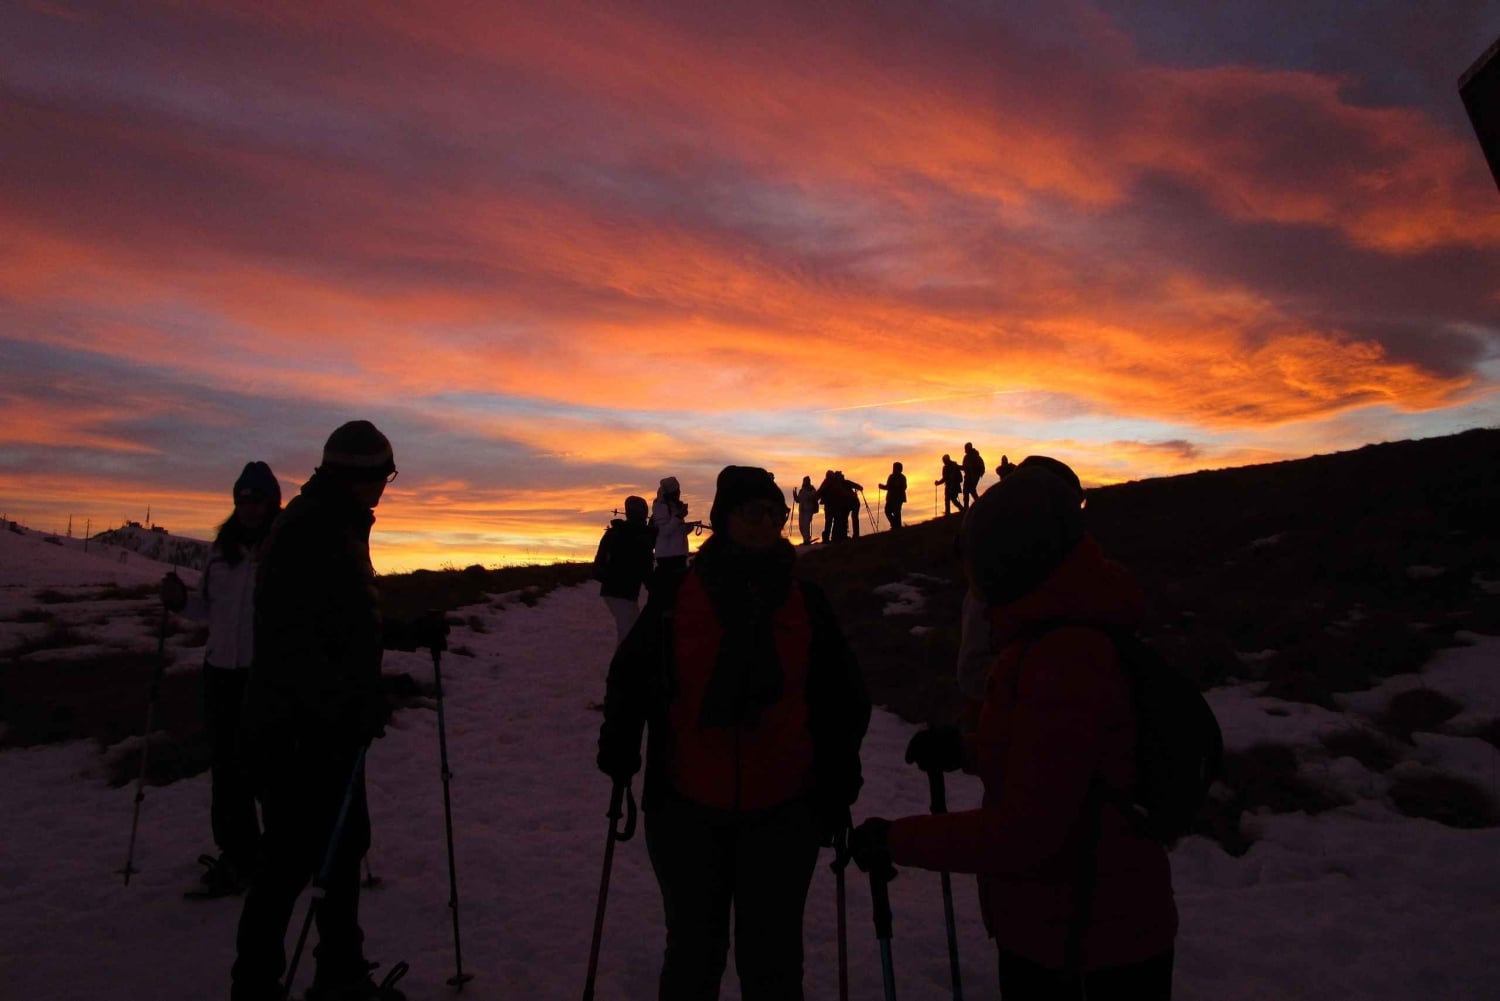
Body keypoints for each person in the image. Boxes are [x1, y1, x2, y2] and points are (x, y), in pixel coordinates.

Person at [849, 458, 1176, 1000]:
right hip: (1074, 925)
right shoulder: (1050, 638)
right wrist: (968, 750)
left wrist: (896, 840)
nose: (969, 578)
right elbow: (1060, 765)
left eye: (976, 562)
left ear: (1010, 557)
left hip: (1084, 943)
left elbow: (1025, 833)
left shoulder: (1062, 657)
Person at [597, 465, 871, 1001]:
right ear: (724, 520)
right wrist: (619, 748)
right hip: (686, 811)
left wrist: (839, 779)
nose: (767, 522)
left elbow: (842, 698)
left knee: (772, 961)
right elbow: (630, 680)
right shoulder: (677, 599)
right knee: (694, 955)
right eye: (753, 512)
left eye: (776, 513)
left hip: (784, 811)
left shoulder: (806, 603)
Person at [231, 421, 447, 1001]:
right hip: (299, 731)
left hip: (320, 724)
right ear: (360, 476)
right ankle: (258, 987)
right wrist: (345, 704)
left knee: (341, 847)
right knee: (290, 861)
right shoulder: (314, 532)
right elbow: (296, 642)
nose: (385, 489)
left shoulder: (331, 522)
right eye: (383, 478)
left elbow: (344, 620)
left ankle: (340, 974)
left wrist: (404, 633)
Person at [160, 460, 283, 897]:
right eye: (242, 500)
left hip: (266, 676)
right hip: (221, 674)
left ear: (273, 502)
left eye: (257, 500)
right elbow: (209, 610)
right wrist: (179, 604)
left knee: (270, 771)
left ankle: (284, 855)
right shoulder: (222, 550)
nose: (248, 508)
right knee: (228, 773)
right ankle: (240, 857)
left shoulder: (285, 549)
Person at [593, 495, 657, 645]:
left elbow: (597, 568)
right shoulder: (639, 537)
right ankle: (623, 666)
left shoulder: (615, 532)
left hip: (612, 591)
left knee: (628, 633)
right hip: (623, 593)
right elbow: (645, 568)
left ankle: (624, 665)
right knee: (631, 636)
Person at [651, 476, 696, 593]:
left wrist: (686, 529)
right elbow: (663, 532)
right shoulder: (661, 507)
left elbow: (674, 531)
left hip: (678, 557)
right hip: (668, 559)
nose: (679, 493)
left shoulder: (673, 506)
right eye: (677, 491)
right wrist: (679, 517)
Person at [878, 462, 907, 530]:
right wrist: (882, 487)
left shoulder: (902, 477)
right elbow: (888, 487)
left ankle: (897, 527)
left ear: (900, 469)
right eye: (894, 467)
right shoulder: (891, 476)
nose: (894, 469)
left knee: (897, 512)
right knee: (887, 511)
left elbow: (904, 487)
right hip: (890, 498)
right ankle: (895, 525)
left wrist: (896, 486)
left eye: (895, 468)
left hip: (898, 498)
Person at [794, 476, 819, 546]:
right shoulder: (801, 490)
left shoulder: (812, 489)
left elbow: (814, 496)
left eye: (807, 480)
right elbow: (798, 500)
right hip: (802, 510)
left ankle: (806, 539)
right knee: (801, 526)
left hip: (808, 509)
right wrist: (794, 493)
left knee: (806, 525)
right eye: (805, 480)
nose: (805, 482)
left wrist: (808, 495)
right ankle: (806, 538)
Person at [814, 470, 837, 543]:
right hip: (835, 505)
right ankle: (834, 537)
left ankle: (827, 538)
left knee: (829, 521)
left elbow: (820, 491)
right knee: (835, 521)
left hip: (829, 505)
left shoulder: (826, 482)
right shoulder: (835, 482)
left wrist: (814, 499)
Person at [961, 442, 985, 509]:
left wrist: (976, 475)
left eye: (966, 448)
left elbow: (980, 467)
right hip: (968, 477)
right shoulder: (966, 457)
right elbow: (964, 467)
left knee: (972, 490)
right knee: (966, 491)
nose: (965, 449)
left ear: (970, 448)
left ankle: (979, 505)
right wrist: (958, 467)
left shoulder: (976, 457)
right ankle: (966, 508)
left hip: (974, 477)